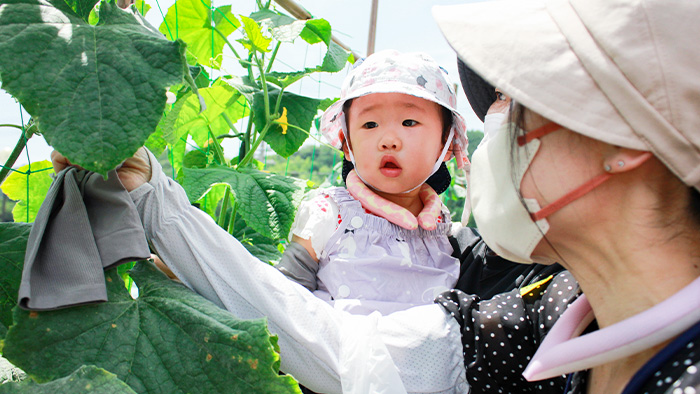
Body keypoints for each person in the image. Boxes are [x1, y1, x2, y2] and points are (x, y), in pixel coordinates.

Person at [430, 0, 700, 393]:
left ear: (623, 139)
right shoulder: (568, 305)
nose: (492, 119)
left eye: (507, 95)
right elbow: (410, 347)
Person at [275, 50, 469, 316]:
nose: (388, 140)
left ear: (446, 144)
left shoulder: (443, 229)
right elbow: (284, 294)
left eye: (409, 122)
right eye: (370, 124)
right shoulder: (330, 214)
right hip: (336, 353)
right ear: (347, 144)